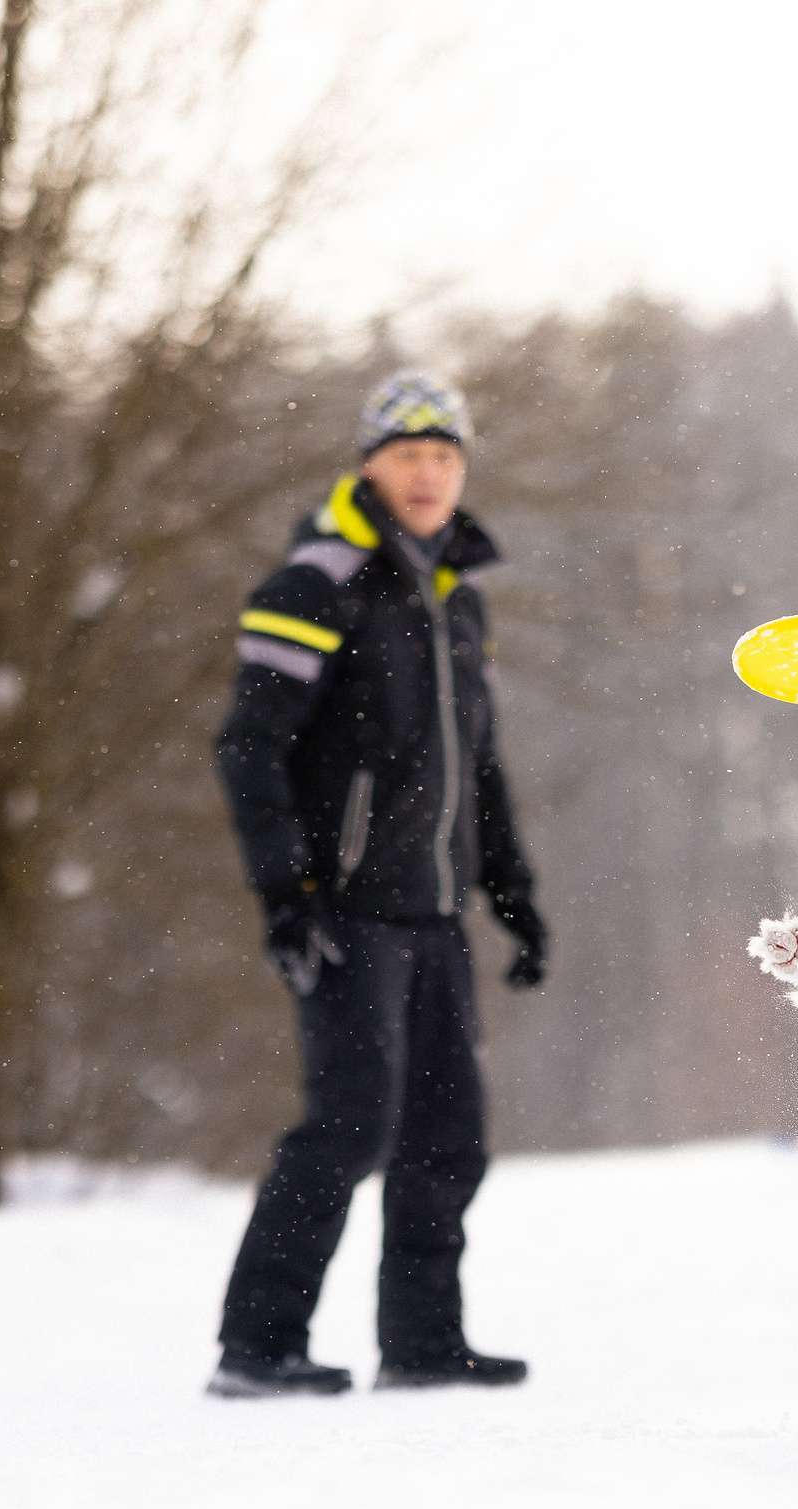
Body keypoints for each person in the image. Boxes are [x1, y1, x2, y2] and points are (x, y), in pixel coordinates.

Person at [206, 370, 547, 1398]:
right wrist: (286, 894)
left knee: (449, 1136)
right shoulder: (316, 583)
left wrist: (513, 895)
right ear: (368, 465)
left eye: (445, 456)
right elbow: (248, 747)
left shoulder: (457, 598)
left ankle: (422, 1342)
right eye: (408, 455)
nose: (429, 473)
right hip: (347, 910)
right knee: (350, 1123)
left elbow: (477, 764)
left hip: (435, 913)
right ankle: (257, 1346)